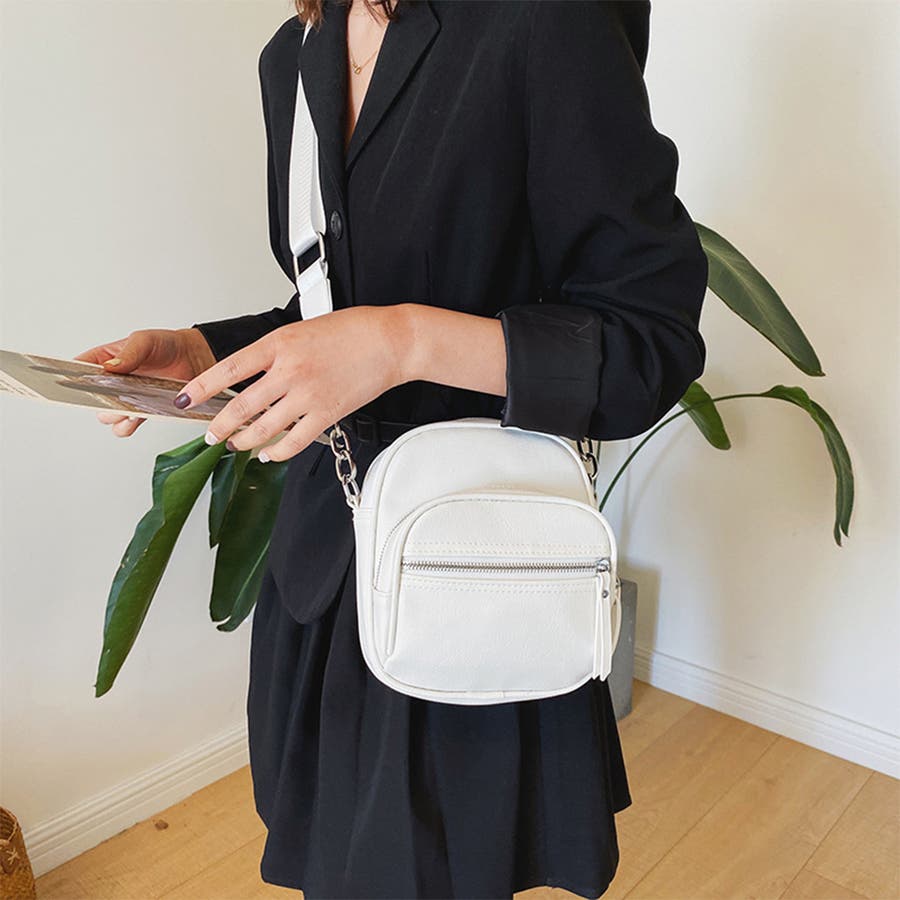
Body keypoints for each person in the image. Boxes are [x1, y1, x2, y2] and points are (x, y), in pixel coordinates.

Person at [76, 0, 708, 896]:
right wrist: (204, 348)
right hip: (325, 563)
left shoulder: (543, 21)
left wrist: (406, 341)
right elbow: (333, 302)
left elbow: (648, 345)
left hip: (470, 560)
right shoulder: (292, 55)